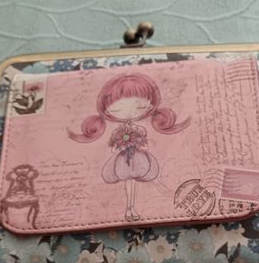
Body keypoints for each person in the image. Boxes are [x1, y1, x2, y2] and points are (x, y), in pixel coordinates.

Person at [68, 72, 189, 221]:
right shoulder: (119, 131)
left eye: (138, 105)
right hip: (123, 160)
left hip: (137, 158)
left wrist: (138, 144)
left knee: (133, 183)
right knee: (128, 182)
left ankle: (132, 208)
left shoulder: (139, 129)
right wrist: (120, 146)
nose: (130, 110)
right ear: (106, 109)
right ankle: (129, 208)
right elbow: (113, 146)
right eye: (119, 106)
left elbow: (144, 144)